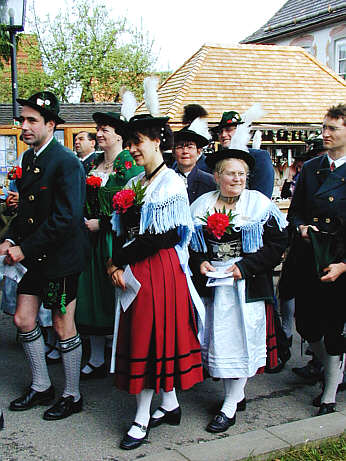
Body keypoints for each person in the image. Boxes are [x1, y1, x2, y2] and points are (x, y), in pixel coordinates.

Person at [107, 78, 203, 450]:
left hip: (158, 269)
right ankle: (171, 403)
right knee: (144, 335)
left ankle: (142, 418)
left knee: (148, 339)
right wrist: (117, 261)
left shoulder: (171, 183)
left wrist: (117, 260)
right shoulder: (140, 181)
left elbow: (161, 237)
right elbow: (129, 228)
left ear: (157, 141)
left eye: (138, 143)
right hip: (140, 266)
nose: (132, 149)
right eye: (129, 143)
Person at [0, 91, 89, 420]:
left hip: (62, 257)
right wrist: (9, 238)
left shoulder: (67, 162)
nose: (23, 125)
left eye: (31, 120)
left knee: (64, 325)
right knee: (23, 319)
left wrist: (24, 248)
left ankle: (72, 394)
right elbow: (27, 212)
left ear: (51, 125)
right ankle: (42, 386)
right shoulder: (29, 159)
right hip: (34, 256)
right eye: (22, 119)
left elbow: (66, 218)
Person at [189, 144, 288, 433]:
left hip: (246, 286)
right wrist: (200, 261)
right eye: (231, 173)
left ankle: (230, 405)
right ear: (217, 176)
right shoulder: (202, 205)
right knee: (218, 340)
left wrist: (244, 268)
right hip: (213, 286)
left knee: (240, 342)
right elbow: (191, 246)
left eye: (242, 174)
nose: (237, 179)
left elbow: (277, 245)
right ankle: (236, 394)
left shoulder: (259, 205)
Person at [288, 103, 346, 415]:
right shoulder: (311, 168)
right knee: (308, 326)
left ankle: (330, 391)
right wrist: (300, 227)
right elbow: (296, 209)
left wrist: (344, 265)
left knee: (334, 329)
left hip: (340, 262)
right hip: (309, 259)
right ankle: (326, 367)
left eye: (333, 128)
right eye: (324, 127)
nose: (325, 133)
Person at [76, 110, 143, 380]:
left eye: (105, 129)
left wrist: (102, 224)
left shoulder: (129, 164)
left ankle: (118, 355)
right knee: (90, 294)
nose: (99, 134)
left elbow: (134, 207)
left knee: (113, 296)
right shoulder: (94, 163)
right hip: (90, 241)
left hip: (113, 239)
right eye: (98, 129)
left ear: (119, 134)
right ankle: (96, 356)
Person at [213, 109, 274, 198]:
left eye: (228, 130)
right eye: (220, 131)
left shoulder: (259, 157)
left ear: (240, 131)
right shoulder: (217, 160)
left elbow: (263, 195)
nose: (223, 135)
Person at [173, 117, 215, 204]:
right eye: (180, 147)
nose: (185, 151)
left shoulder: (210, 182)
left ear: (198, 151)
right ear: (173, 152)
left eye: (190, 147)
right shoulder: (166, 180)